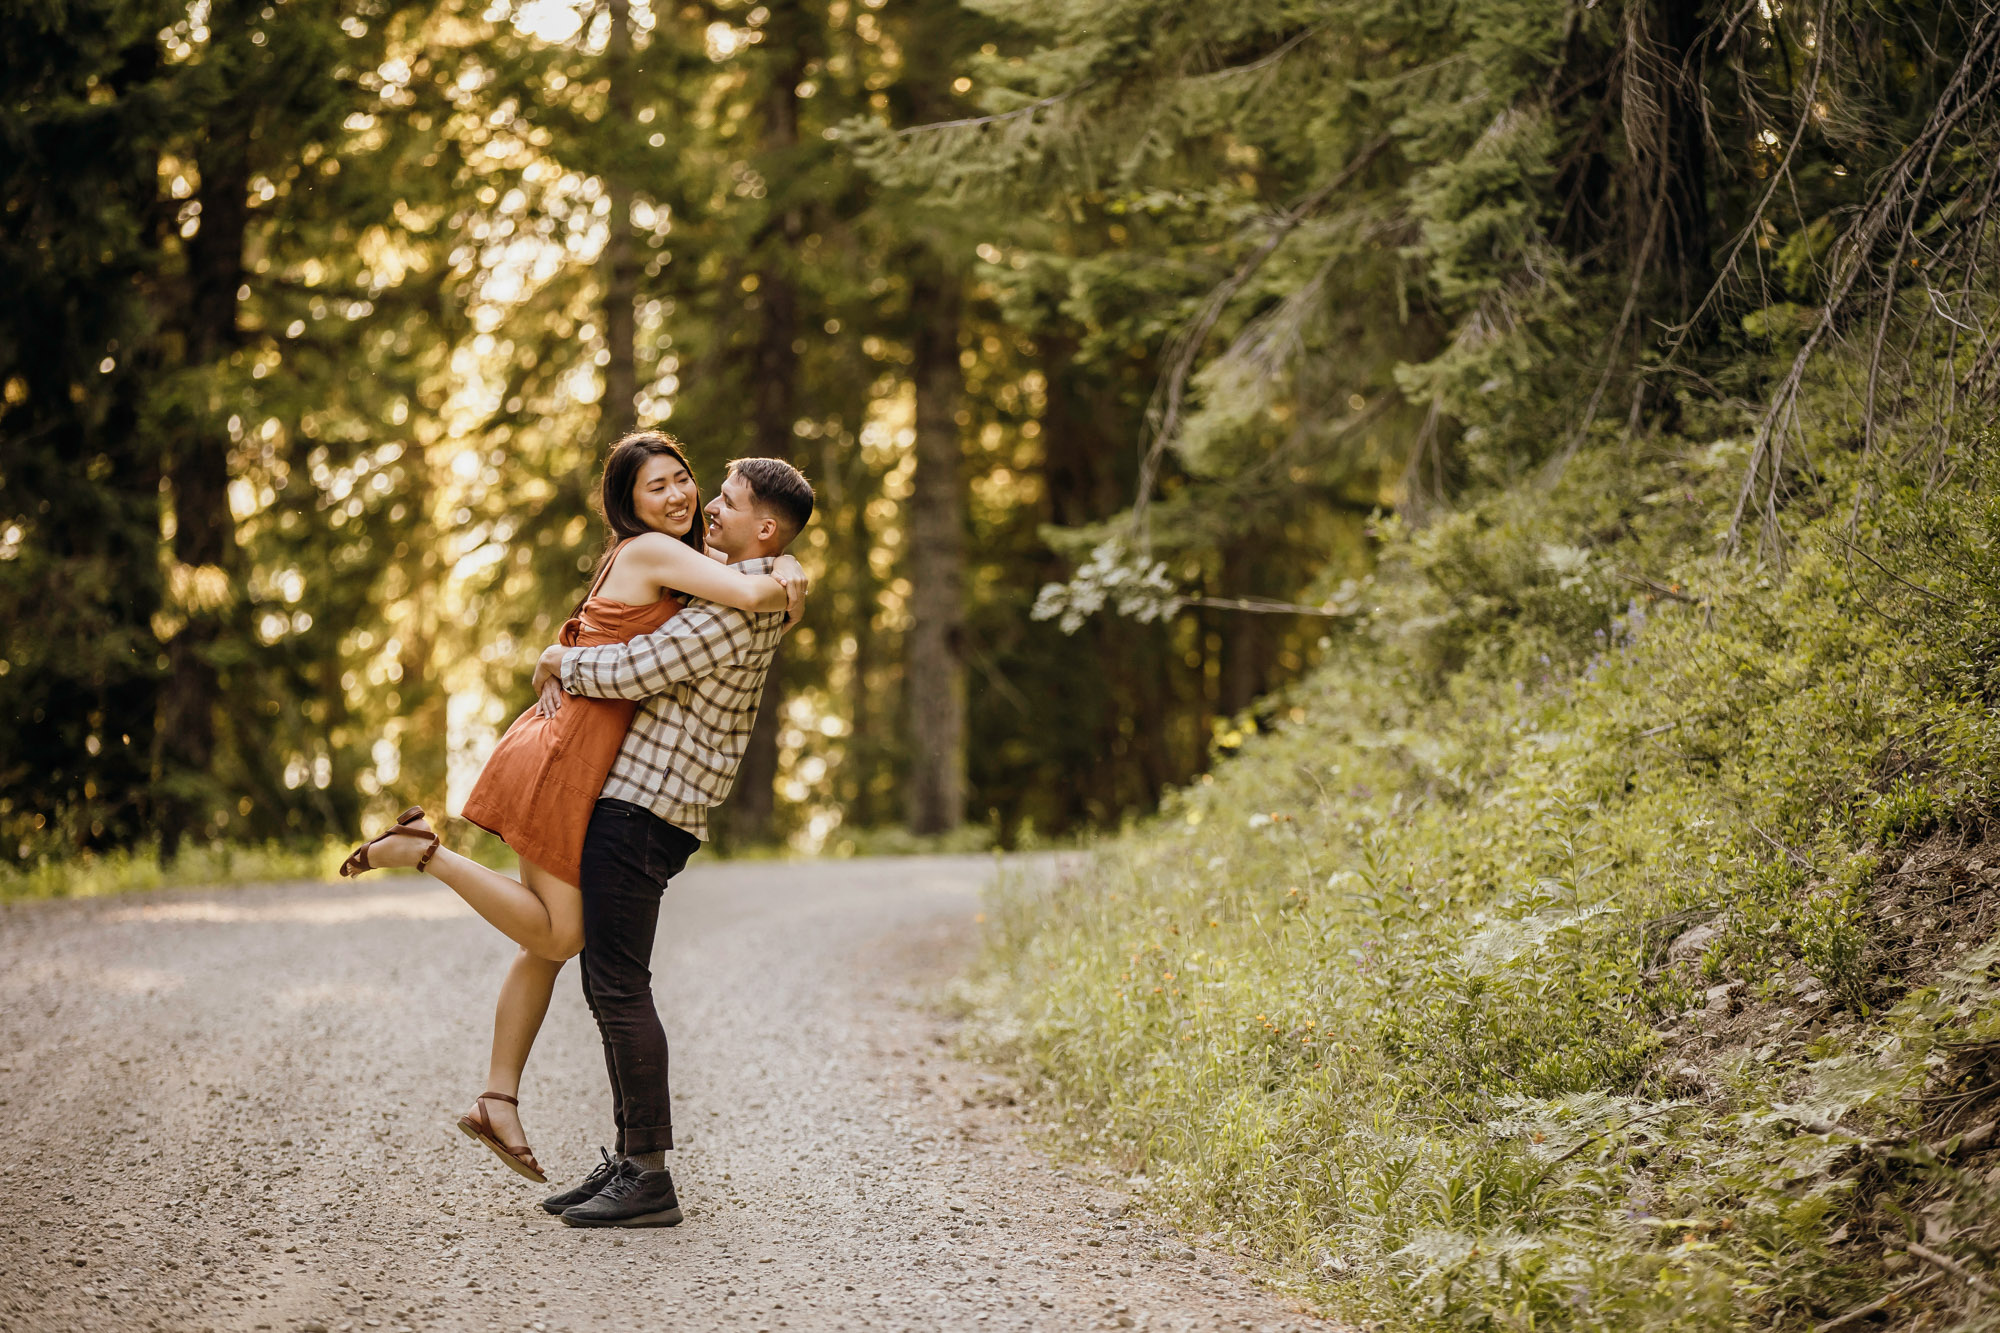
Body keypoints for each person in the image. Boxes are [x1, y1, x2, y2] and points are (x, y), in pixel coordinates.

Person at [336, 433, 806, 1184]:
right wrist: (782, 571)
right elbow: (751, 594)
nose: (684, 497)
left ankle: (498, 1097)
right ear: (629, 505)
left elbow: (744, 576)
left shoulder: (689, 563)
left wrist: (781, 560)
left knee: (548, 945)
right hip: (568, 752)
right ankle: (424, 849)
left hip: (577, 749)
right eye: (659, 487)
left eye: (686, 479)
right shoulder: (654, 552)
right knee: (562, 932)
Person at [530, 455, 813, 1229]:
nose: (707, 509)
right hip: (652, 807)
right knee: (609, 979)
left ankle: (648, 1174)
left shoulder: (733, 610)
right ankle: (630, 1156)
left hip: (642, 808)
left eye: (726, 500)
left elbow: (632, 668)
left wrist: (559, 657)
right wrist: (787, 563)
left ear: (760, 526)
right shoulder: (749, 581)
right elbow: (744, 564)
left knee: (618, 983)